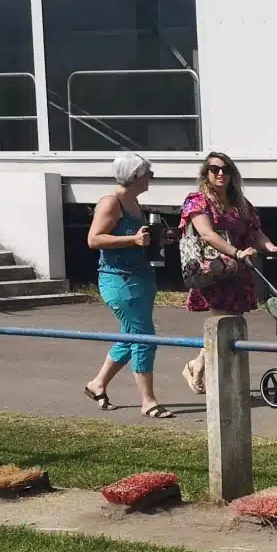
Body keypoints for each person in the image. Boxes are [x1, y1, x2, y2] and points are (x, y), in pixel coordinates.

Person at [179, 151, 277, 394]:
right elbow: (207, 234)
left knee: (231, 322)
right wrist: (236, 253)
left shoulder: (240, 203)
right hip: (213, 270)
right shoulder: (197, 200)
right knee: (222, 324)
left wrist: (271, 247)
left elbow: (256, 232)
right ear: (205, 173)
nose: (220, 173)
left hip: (239, 271)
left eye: (225, 169)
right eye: (214, 169)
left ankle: (197, 366)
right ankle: (220, 382)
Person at [82, 154, 172, 418]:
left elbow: (139, 239)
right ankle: (148, 401)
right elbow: (94, 240)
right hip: (119, 279)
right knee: (144, 338)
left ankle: (97, 384)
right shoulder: (111, 203)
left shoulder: (134, 203)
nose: (151, 177)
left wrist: (158, 239)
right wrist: (132, 239)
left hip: (141, 277)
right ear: (135, 177)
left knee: (129, 335)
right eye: (148, 173)